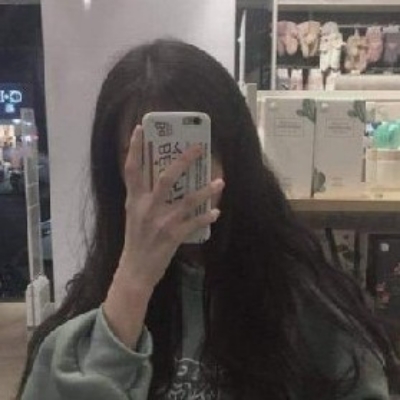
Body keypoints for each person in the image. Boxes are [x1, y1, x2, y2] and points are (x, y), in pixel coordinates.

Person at [18, 39, 399, 400]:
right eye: (151, 158)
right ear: (115, 172)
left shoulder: (304, 299)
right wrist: (133, 281)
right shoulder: (83, 327)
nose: (171, 178)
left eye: (193, 154)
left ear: (233, 155)